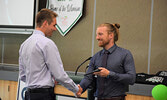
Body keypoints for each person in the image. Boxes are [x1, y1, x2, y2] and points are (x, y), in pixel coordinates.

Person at [19, 8, 82, 100]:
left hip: (28, 95)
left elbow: (22, 75)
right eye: (54, 25)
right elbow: (59, 75)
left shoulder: (24, 44)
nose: (55, 29)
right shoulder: (47, 43)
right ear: (45, 23)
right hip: (44, 96)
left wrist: (45, 80)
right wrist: (75, 89)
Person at [77, 23, 136, 100]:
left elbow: (131, 78)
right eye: (97, 35)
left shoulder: (125, 54)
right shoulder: (96, 57)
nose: (97, 38)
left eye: (100, 34)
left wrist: (109, 74)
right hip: (98, 98)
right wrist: (80, 88)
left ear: (111, 35)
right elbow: (88, 78)